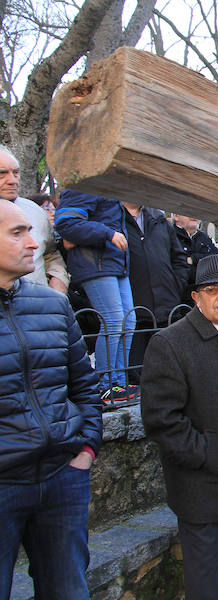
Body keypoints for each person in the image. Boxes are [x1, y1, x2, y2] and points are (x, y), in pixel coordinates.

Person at [140, 254, 218, 600]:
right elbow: (161, 420)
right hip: (201, 487)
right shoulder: (170, 343)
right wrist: (206, 454)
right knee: (205, 584)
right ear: (196, 298)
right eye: (212, 291)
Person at [0, 200, 102, 600]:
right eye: (17, 233)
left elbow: (84, 386)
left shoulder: (54, 304)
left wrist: (87, 448)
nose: (33, 242)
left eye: (32, 230)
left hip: (63, 478)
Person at [55, 190, 136, 403]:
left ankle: (119, 381)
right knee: (113, 320)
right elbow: (65, 222)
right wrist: (107, 234)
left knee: (129, 320)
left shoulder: (106, 185)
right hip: (96, 263)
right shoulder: (84, 185)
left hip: (115, 263)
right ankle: (106, 384)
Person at [122, 201, 191, 383]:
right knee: (137, 379)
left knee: (171, 374)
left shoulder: (159, 220)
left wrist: (175, 286)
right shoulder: (114, 218)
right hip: (134, 314)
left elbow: (178, 258)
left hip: (166, 311)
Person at [0, 146, 69, 293]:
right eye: (2, 174)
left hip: (36, 306)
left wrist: (59, 279)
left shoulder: (35, 211)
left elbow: (50, 254)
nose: (12, 180)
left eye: (16, 173)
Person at [172, 213, 218, 298]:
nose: (193, 215)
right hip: (179, 296)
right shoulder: (169, 236)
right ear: (176, 216)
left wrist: (194, 259)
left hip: (205, 294)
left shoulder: (203, 237)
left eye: (195, 211)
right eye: (188, 210)